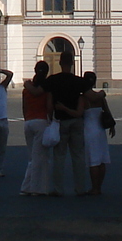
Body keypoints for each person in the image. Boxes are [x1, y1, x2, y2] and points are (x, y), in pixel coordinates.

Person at [43, 49, 90, 196]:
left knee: (59, 156)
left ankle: (58, 189)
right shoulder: (79, 82)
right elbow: (89, 97)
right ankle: (80, 188)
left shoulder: (52, 81)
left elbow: (49, 103)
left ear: (60, 62)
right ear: (72, 63)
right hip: (76, 121)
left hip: (60, 121)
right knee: (78, 156)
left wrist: (50, 118)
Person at [19, 62, 53, 195]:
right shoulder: (46, 88)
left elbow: (24, 107)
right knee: (41, 157)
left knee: (32, 156)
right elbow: (49, 106)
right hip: (41, 121)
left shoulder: (26, 89)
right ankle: (36, 188)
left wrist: (27, 118)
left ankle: (28, 187)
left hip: (29, 122)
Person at [81, 71, 113, 195]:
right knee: (102, 160)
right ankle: (98, 187)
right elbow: (107, 110)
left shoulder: (83, 98)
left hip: (89, 131)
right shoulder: (99, 97)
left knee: (93, 161)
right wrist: (112, 125)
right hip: (100, 130)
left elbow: (79, 113)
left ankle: (94, 187)